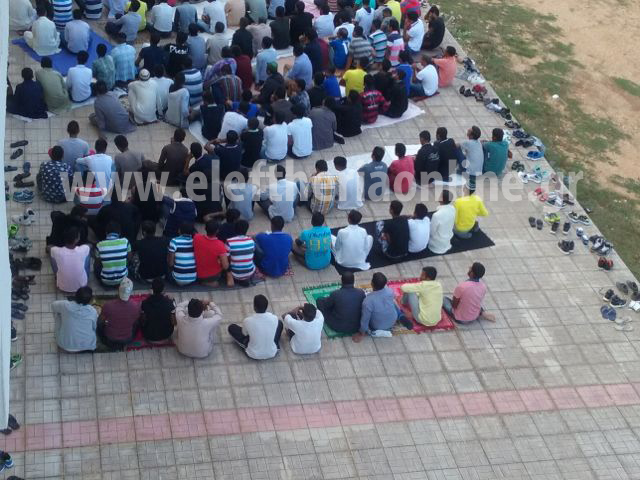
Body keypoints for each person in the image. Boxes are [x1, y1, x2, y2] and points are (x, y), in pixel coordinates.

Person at [353, 272, 410, 341]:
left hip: (377, 326)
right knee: (392, 303)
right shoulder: (390, 291)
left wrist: (361, 332)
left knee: (365, 312)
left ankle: (400, 317)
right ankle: (400, 316)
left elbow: (365, 319)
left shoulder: (367, 301)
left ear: (372, 284)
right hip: (392, 320)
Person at [228, 295, 282, 360]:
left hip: (254, 354)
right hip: (272, 352)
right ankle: (273, 345)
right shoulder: (274, 318)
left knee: (232, 327)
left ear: (254, 307)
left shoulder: (247, 321)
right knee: (280, 323)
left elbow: (244, 334)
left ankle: (250, 345)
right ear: (266, 307)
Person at [98, 277, 139, 350]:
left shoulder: (108, 305)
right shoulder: (136, 306)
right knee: (137, 324)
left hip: (110, 338)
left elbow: (101, 320)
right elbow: (135, 321)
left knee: (99, 323)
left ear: (118, 290)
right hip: (127, 339)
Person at [52, 286, 97, 353]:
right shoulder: (93, 311)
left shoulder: (65, 305)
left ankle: (62, 333)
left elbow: (53, 305)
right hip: (87, 345)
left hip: (64, 344)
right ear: (90, 300)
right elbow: (94, 327)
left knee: (58, 314)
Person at [50, 227, 90, 294]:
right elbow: (88, 246)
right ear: (76, 240)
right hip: (82, 285)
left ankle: (57, 276)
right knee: (87, 255)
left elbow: (50, 248)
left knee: (53, 256)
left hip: (62, 286)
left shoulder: (55, 250)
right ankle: (85, 277)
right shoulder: (84, 249)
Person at [193, 220, 232, 286]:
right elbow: (225, 266)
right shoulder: (220, 245)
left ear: (205, 228)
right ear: (217, 231)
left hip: (197, 273)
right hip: (212, 276)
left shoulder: (196, 238)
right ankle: (209, 283)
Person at [95, 222, 132, 286]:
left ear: (106, 233)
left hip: (105, 281)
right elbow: (129, 258)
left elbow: (98, 263)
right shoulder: (125, 241)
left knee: (96, 266)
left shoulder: (99, 245)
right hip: (123, 279)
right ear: (119, 233)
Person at [428, 189, 455, 254]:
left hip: (436, 244)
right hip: (447, 240)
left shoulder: (436, 215)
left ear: (442, 199)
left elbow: (431, 231)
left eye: (440, 195)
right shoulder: (453, 209)